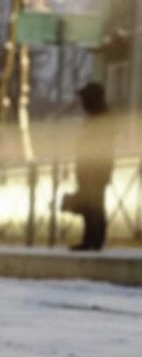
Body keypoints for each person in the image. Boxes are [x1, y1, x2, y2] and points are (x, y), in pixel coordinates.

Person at [68, 81, 114, 252]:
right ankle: (90, 239)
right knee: (89, 204)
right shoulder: (95, 119)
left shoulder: (102, 120)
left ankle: (94, 240)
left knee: (95, 205)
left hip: (96, 169)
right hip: (88, 168)